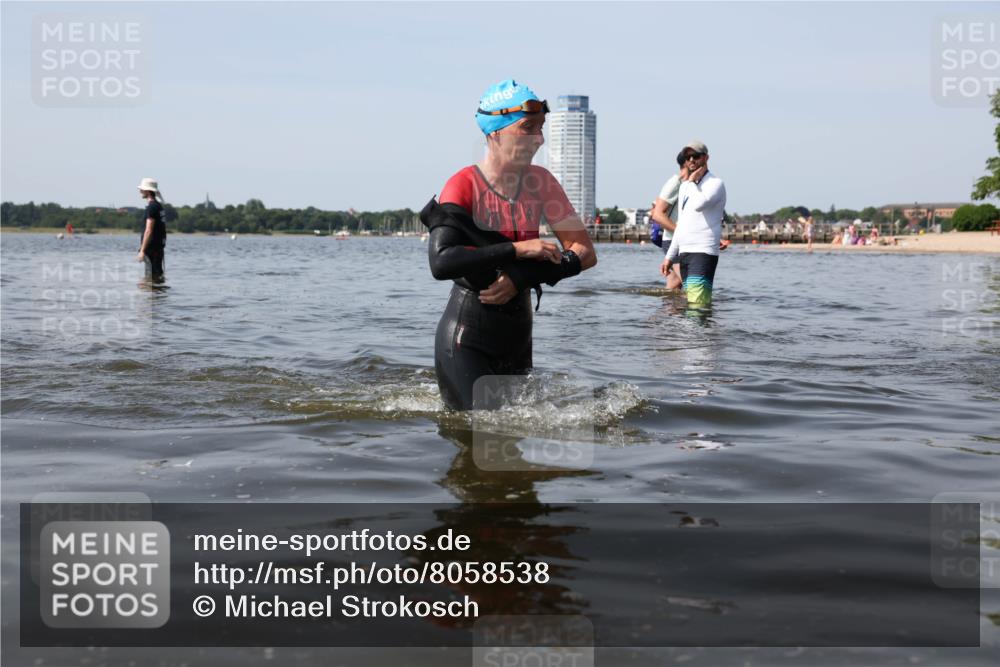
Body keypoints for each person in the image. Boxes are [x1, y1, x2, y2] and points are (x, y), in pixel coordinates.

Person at [419, 79, 597, 411]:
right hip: (466, 337)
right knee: (479, 438)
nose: (539, 139)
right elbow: (441, 262)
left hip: (518, 335)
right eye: (528, 128)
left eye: (541, 128)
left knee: (510, 445)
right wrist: (516, 249)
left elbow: (585, 253)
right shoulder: (463, 185)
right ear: (495, 132)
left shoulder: (543, 183)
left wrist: (520, 277)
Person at [660, 141, 726, 308]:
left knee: (697, 305)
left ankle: (699, 334)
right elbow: (681, 224)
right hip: (685, 252)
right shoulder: (685, 187)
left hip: (703, 250)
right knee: (692, 304)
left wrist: (691, 182)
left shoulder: (715, 183)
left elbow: (699, 204)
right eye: (687, 157)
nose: (691, 160)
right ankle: (695, 335)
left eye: (695, 156)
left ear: (706, 158)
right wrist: (669, 256)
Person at [648, 150, 687, 290]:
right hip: (673, 241)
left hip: (680, 241)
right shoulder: (675, 182)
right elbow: (657, 214)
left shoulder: (690, 184)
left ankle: (667, 311)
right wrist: (681, 233)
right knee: (693, 289)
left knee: (674, 286)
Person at [136, 177, 167, 278]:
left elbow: (148, 230)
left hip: (152, 249)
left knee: (151, 277)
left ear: (148, 191)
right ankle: (159, 292)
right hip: (158, 248)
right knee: (157, 275)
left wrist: (142, 251)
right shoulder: (158, 206)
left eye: (142, 189)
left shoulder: (152, 207)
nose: (140, 191)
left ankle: (154, 292)